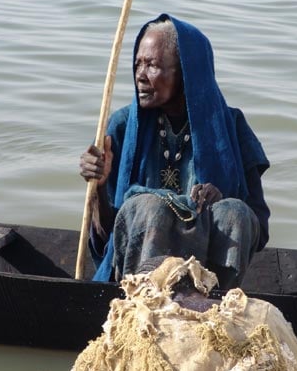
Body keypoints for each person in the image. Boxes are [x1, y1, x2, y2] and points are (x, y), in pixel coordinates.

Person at [80, 14, 270, 288]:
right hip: (142, 288)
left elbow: (259, 230)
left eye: (152, 65)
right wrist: (98, 188)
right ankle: (144, 307)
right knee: (146, 207)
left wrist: (220, 200)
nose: (140, 76)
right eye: (137, 65)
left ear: (186, 73)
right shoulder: (122, 126)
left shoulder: (232, 126)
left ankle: (213, 306)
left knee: (234, 211)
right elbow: (107, 236)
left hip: (207, 280)